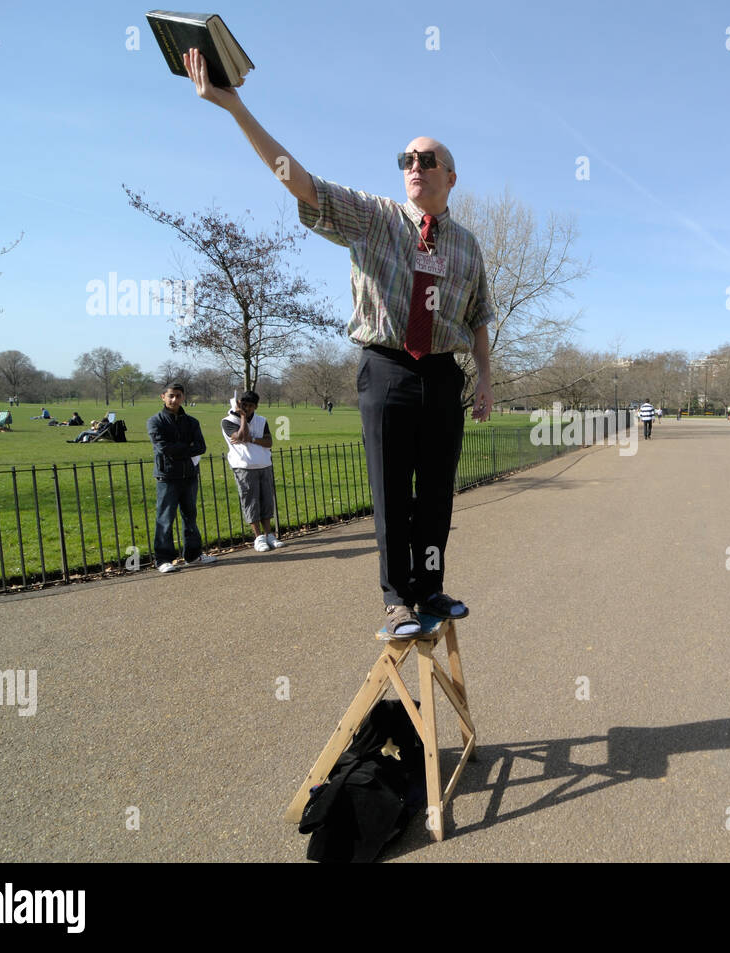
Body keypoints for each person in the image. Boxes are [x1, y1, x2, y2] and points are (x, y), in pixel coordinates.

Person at [182, 49, 494, 636]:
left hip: (444, 375)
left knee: (436, 499)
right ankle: (396, 599)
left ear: (451, 176)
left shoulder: (468, 246)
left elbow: (478, 316)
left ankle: (430, 588)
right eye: (406, 158)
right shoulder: (374, 218)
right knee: (391, 493)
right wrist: (234, 108)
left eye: (428, 159)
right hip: (388, 369)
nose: (414, 166)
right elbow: (299, 181)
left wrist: (485, 379)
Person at [147, 382, 216, 573]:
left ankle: (193, 555)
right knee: (165, 518)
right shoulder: (155, 421)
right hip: (167, 476)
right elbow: (163, 448)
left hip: (189, 475)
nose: (174, 399)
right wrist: (187, 447)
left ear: (183, 397)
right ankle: (163, 559)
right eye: (171, 396)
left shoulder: (192, 422)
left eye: (178, 396)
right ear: (163, 397)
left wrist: (178, 449)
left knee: (190, 516)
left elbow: (201, 447)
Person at [222, 390, 284, 552]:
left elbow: (269, 442)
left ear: (256, 406)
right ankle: (258, 537)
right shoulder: (228, 421)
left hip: (264, 464)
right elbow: (240, 437)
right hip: (244, 467)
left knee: (266, 501)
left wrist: (253, 439)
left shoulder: (261, 420)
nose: (247, 408)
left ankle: (269, 534)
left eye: (251, 406)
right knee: (251, 501)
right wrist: (242, 417)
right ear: (238, 404)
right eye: (244, 405)